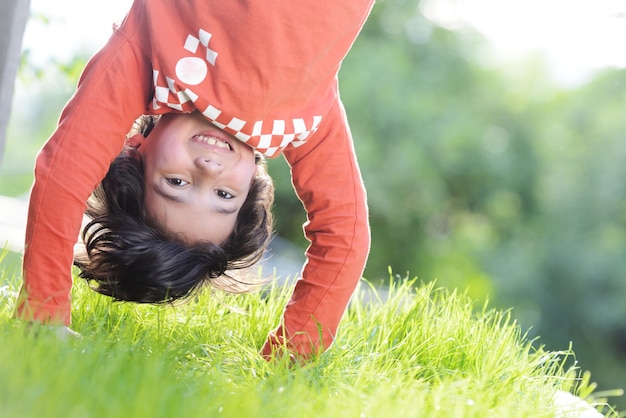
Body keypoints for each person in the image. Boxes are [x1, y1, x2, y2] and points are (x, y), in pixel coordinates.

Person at [14, 0, 373, 359]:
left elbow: (63, 175)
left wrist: (43, 315)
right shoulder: (301, 119)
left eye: (176, 183)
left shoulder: (148, 58)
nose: (207, 167)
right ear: (249, 187)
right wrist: (287, 363)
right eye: (223, 195)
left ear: (133, 151)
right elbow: (346, 234)